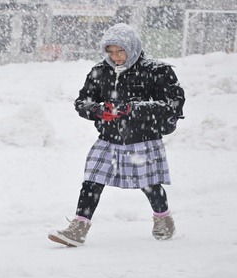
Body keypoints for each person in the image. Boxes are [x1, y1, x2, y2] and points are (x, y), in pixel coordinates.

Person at [48, 23, 185, 246]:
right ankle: (79, 228)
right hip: (109, 138)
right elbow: (82, 101)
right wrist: (98, 110)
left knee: (149, 183)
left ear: (133, 48)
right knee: (92, 181)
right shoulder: (100, 71)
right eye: (111, 52)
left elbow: (172, 105)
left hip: (143, 138)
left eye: (121, 51)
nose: (116, 57)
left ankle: (163, 219)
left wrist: (133, 109)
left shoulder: (157, 71)